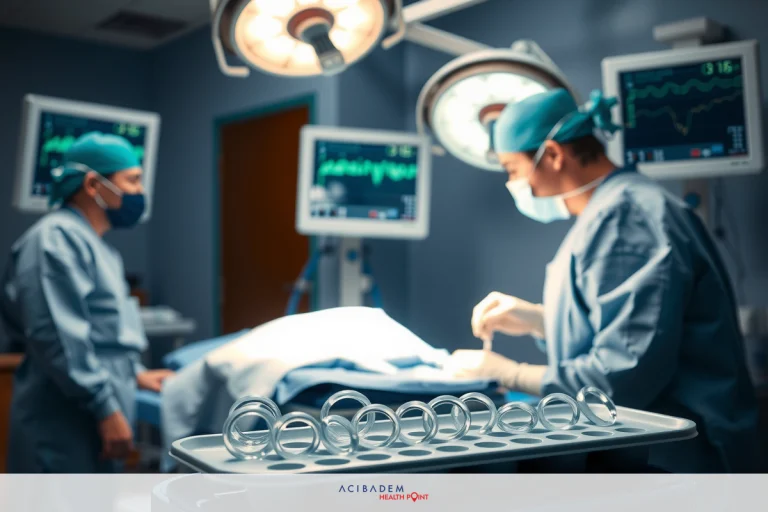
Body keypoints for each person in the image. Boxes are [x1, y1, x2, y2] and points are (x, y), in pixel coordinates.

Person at [446, 88, 760, 473]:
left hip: (678, 459)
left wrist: (508, 373)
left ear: (554, 155)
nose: (513, 184)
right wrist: (541, 321)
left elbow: (621, 375)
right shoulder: (613, 210)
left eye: (513, 169)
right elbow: (630, 324)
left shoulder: (626, 219)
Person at [0, 132, 175, 473]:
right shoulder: (54, 240)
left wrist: (135, 374)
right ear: (94, 185)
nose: (140, 192)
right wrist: (107, 410)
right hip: (64, 420)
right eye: (133, 180)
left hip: (91, 415)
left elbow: (101, 333)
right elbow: (59, 340)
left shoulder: (98, 247)